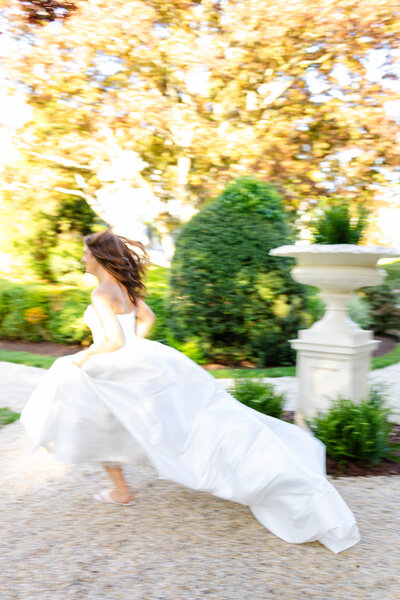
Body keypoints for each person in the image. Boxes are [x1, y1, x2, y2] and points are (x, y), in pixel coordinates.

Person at [21, 229, 360, 553]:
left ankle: (125, 489)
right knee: (107, 421)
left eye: (85, 253)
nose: (82, 258)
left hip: (111, 365)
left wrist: (83, 356)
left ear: (98, 256)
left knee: (101, 421)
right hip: (131, 364)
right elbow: (147, 318)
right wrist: (135, 347)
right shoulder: (123, 287)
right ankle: (120, 488)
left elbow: (113, 341)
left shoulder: (100, 293)